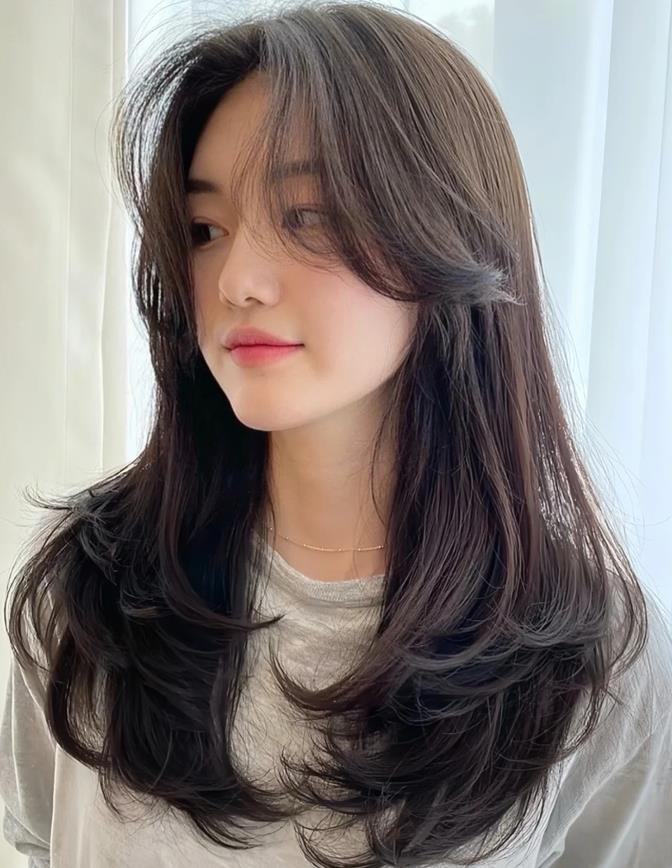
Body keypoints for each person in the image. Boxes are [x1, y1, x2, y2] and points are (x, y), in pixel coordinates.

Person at [2, 2, 672, 866]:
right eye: (205, 230)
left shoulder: (595, 657)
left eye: (308, 217)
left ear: (443, 231)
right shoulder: (85, 590)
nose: (237, 279)